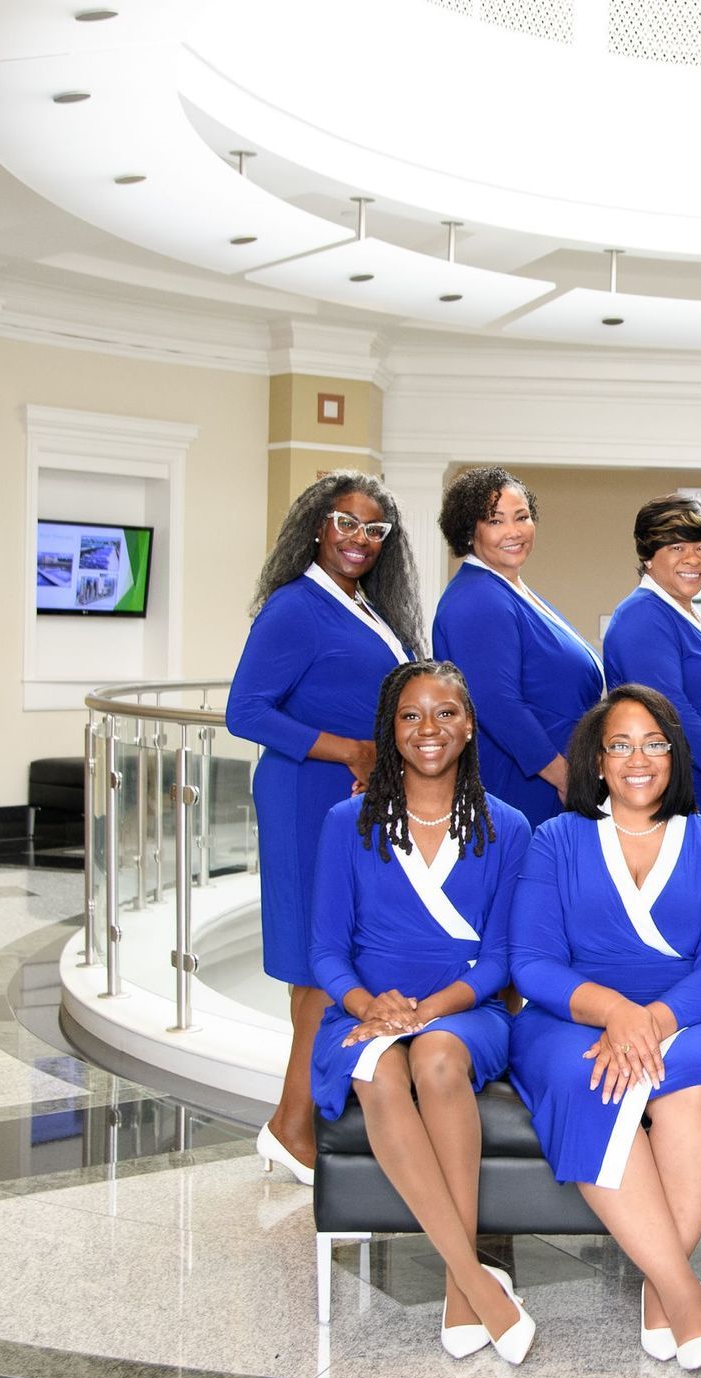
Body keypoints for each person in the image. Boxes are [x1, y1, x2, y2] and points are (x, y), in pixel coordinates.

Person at [506, 686, 701, 1371]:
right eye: (620, 745)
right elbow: (532, 963)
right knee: (590, 1076)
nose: (638, 759)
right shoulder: (556, 839)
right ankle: (682, 1294)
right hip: (574, 1017)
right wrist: (615, 1012)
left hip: (690, 1015)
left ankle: (657, 1286)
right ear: (597, 760)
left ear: (675, 756)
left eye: (653, 744)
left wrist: (653, 1018)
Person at [308, 661, 535, 1363]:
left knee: (436, 1058)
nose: (428, 728)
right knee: (379, 1072)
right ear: (391, 729)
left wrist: (427, 1012)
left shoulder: (508, 826)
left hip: (466, 1011)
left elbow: (501, 961)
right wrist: (367, 1005)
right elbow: (325, 952)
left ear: (468, 727)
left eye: (445, 713)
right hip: (364, 1011)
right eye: (410, 715)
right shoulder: (347, 822)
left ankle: (460, 1287)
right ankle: (472, 1281)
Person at [227, 470, 420, 1185]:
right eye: (346, 523)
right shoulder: (294, 606)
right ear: (317, 526)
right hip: (306, 797)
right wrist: (350, 751)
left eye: (375, 530)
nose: (359, 539)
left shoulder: (363, 605)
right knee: (316, 968)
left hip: (350, 804)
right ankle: (291, 1126)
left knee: (331, 962)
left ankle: (304, 1117)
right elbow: (245, 711)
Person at [432, 466, 603, 827]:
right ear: (469, 530)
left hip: (552, 779)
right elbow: (496, 704)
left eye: (522, 517)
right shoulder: (478, 599)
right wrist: (564, 777)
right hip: (526, 784)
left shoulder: (510, 589)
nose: (513, 531)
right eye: (495, 521)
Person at [602, 495, 701, 852]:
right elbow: (672, 713)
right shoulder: (643, 616)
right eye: (677, 547)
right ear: (648, 555)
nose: (693, 558)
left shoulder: (689, 615)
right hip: (691, 795)